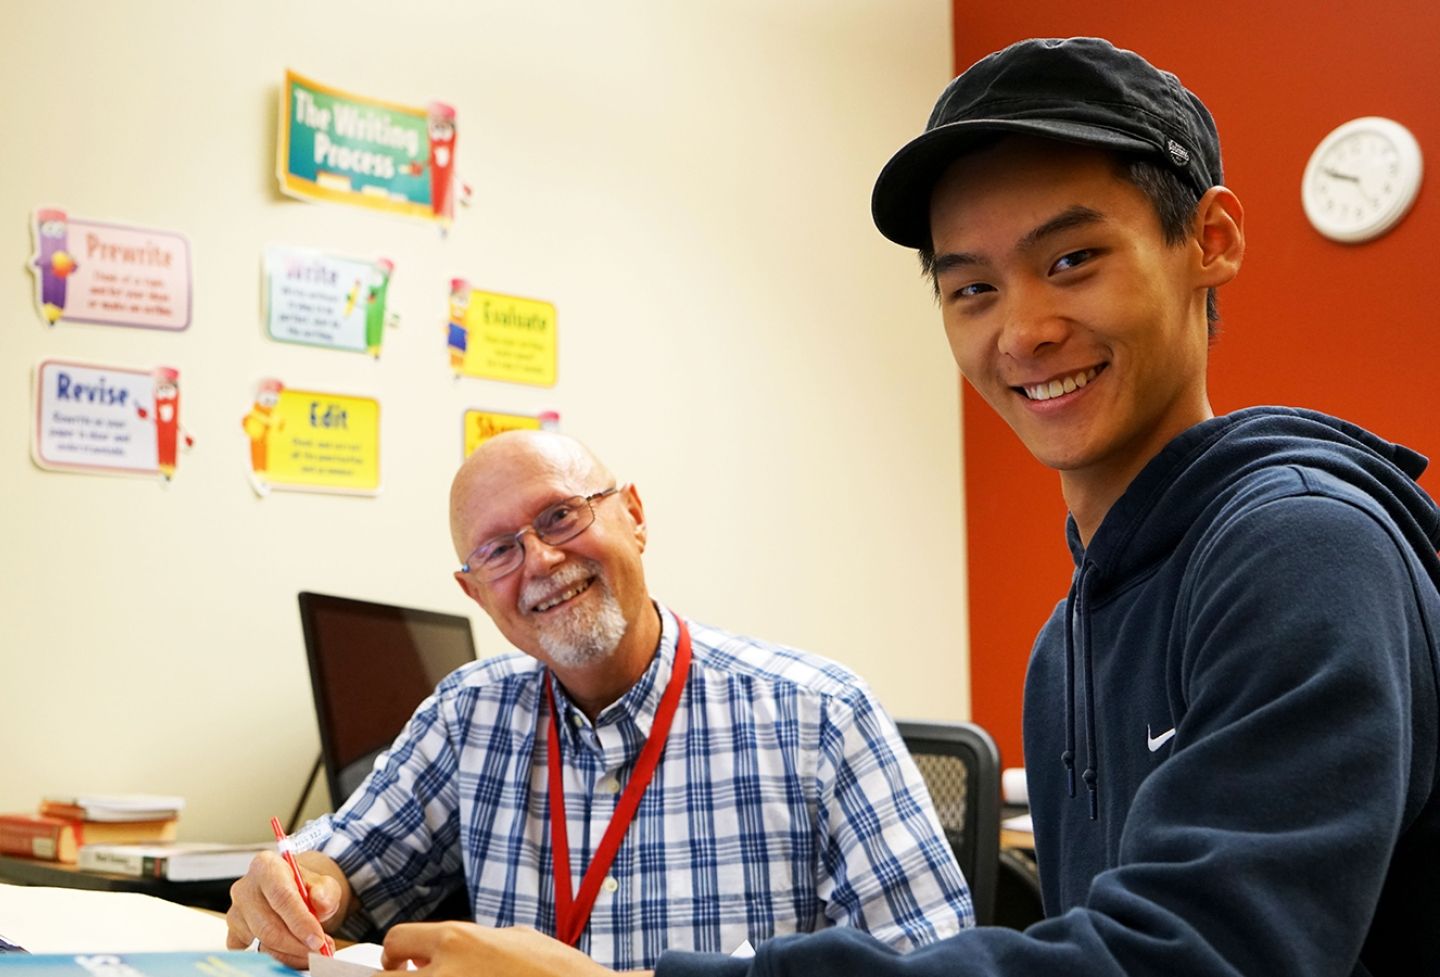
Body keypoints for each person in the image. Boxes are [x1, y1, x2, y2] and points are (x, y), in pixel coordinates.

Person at [367, 37, 1440, 977]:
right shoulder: (1073, 637)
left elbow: (1196, 954)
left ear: (1210, 240)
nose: (1021, 331)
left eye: (1072, 259)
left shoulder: (1303, 549)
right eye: (972, 286)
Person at [226, 429, 972, 970]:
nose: (542, 561)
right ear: (475, 592)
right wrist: (301, 887)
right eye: (498, 550)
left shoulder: (820, 713)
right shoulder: (468, 716)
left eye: (560, 515)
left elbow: (937, 963)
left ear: (635, 516)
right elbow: (339, 864)